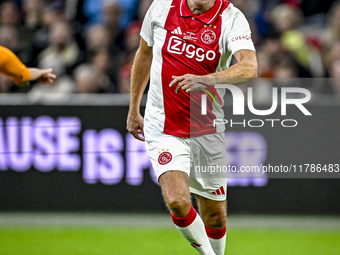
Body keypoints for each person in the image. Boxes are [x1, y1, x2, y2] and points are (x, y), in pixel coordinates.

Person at [126, 0, 257, 254]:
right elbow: (144, 54)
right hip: (162, 124)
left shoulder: (231, 18)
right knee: (177, 200)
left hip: (205, 127)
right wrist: (133, 108)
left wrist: (205, 80)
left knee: (215, 217)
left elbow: (250, 67)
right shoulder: (162, 7)